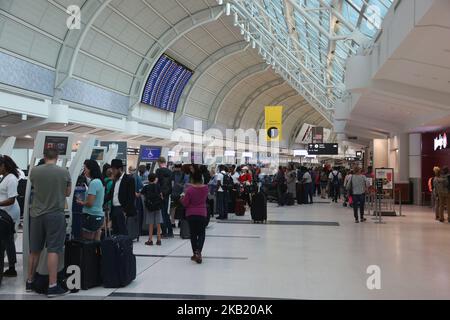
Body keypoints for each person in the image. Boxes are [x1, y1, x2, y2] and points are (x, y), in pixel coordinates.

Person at [26, 148, 72, 297]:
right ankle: (52, 286)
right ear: (57, 157)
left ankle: (30, 281)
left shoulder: (35, 171)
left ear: (44, 156)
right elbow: (68, 193)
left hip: (37, 214)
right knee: (53, 249)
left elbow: (34, 188)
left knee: (34, 250)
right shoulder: (64, 172)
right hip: (55, 214)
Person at [181, 167, 209, 264]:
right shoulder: (206, 188)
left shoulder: (189, 190)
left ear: (192, 179)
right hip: (202, 213)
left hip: (191, 214)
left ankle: (195, 253)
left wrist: (182, 199)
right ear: (201, 179)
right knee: (201, 233)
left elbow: (185, 203)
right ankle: (199, 252)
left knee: (193, 234)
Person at [0, 155, 20, 277]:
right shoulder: (4, 177)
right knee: (7, 240)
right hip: (4, 212)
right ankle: (11, 267)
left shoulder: (11, 179)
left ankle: (12, 268)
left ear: (4, 166)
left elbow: (11, 199)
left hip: (9, 213)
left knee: (8, 241)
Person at [106, 159, 136, 236]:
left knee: (123, 232)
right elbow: (110, 194)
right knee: (115, 231)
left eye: (114, 169)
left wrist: (125, 211)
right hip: (114, 209)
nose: (112, 171)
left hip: (122, 209)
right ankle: (116, 247)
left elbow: (131, 197)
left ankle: (125, 247)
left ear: (120, 169)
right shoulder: (115, 180)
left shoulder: (129, 179)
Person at [77, 160, 105, 241]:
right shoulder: (99, 181)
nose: (84, 171)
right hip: (98, 216)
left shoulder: (94, 183)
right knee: (96, 242)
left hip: (90, 216)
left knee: (87, 242)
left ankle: (88, 254)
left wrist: (81, 202)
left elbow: (90, 203)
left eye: (85, 168)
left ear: (90, 169)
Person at [141, 173, 163, 246]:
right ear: (155, 179)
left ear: (148, 179)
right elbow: (161, 196)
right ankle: (159, 239)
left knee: (151, 223)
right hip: (158, 206)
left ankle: (150, 240)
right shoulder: (158, 186)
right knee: (158, 223)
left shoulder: (146, 187)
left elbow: (140, 194)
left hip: (150, 207)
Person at [155, 157, 174, 238]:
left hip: (161, 195)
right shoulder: (170, 171)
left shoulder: (158, 171)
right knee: (166, 213)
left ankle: (164, 233)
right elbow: (171, 184)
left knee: (161, 214)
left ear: (159, 162)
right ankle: (170, 232)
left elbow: (156, 182)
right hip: (168, 195)